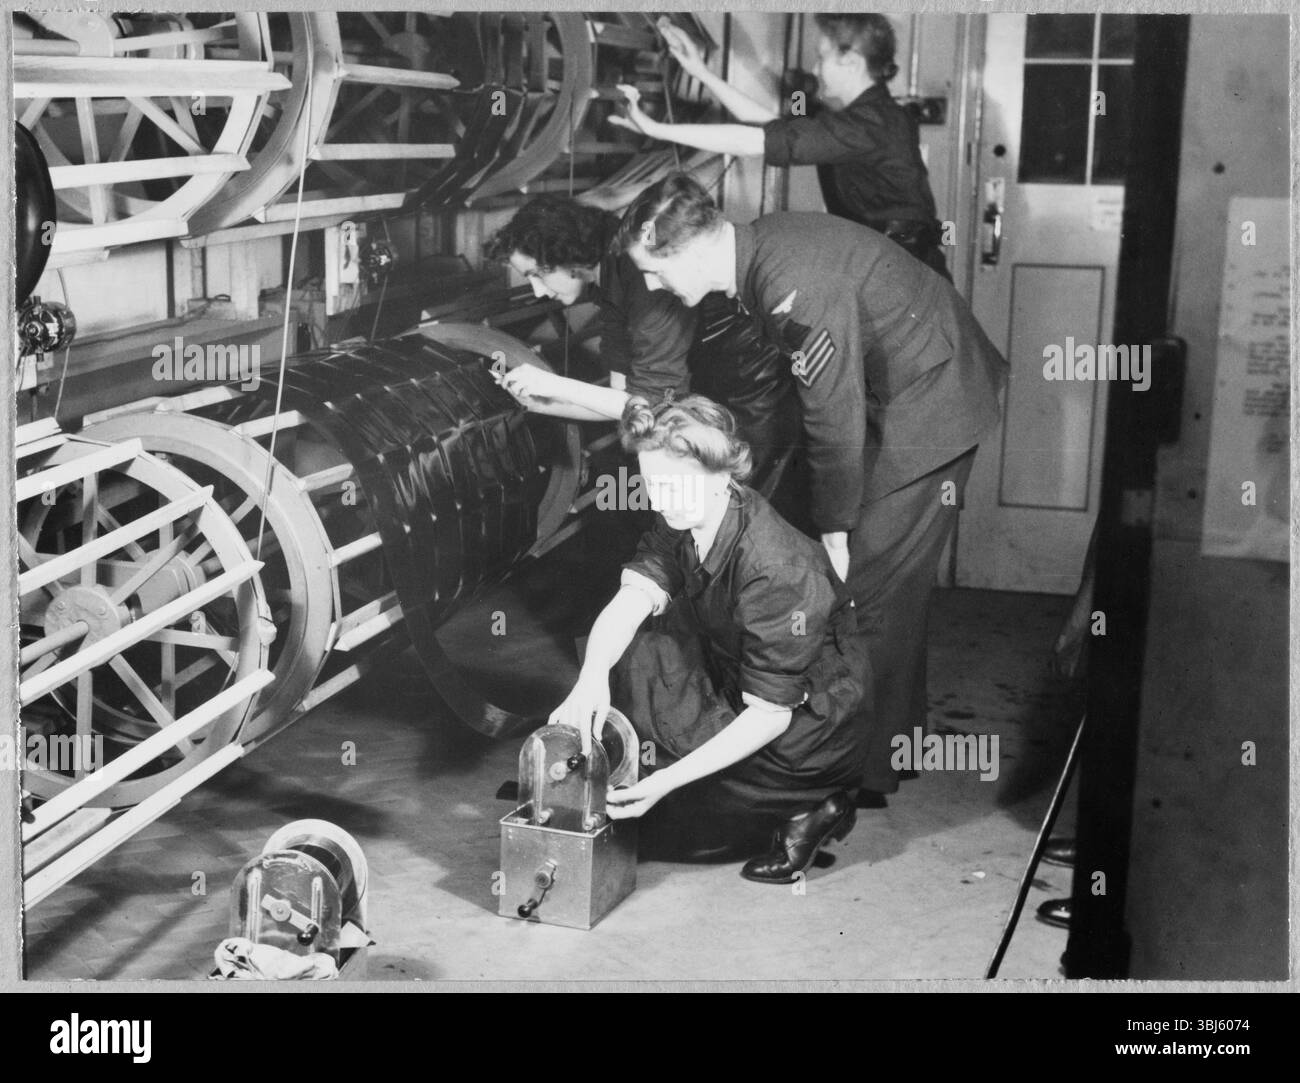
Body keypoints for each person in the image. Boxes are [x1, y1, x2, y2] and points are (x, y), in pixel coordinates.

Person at [615, 174, 1008, 806]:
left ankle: (843, 784)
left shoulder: (787, 283)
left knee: (864, 589)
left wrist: (835, 528)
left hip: (932, 402)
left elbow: (833, 413)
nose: (654, 288)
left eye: (655, 272)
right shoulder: (758, 248)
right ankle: (886, 753)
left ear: (689, 251)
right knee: (886, 589)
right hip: (905, 388)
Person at [550, 395, 866, 882]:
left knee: (687, 792)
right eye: (652, 485)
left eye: (676, 486)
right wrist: (589, 679)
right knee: (626, 656)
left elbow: (769, 716)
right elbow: (632, 598)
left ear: (723, 475)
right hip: (735, 671)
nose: (662, 500)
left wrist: (665, 784)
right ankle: (675, 782)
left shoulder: (776, 568)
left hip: (803, 728)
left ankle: (813, 804)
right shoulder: (684, 514)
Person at [485, 193, 798, 485]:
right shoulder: (608, 275)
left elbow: (649, 403)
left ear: (562, 253)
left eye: (536, 274)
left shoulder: (640, 284)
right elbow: (624, 401)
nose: (538, 292)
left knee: (737, 495)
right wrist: (542, 403)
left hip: (747, 384)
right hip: (707, 377)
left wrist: (553, 385)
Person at [610, 14, 950, 277]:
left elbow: (758, 139)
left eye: (822, 58)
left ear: (852, 62)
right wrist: (700, 72)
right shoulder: (859, 115)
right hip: (884, 260)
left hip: (903, 267)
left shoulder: (870, 124)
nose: (816, 69)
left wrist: (656, 127)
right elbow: (778, 124)